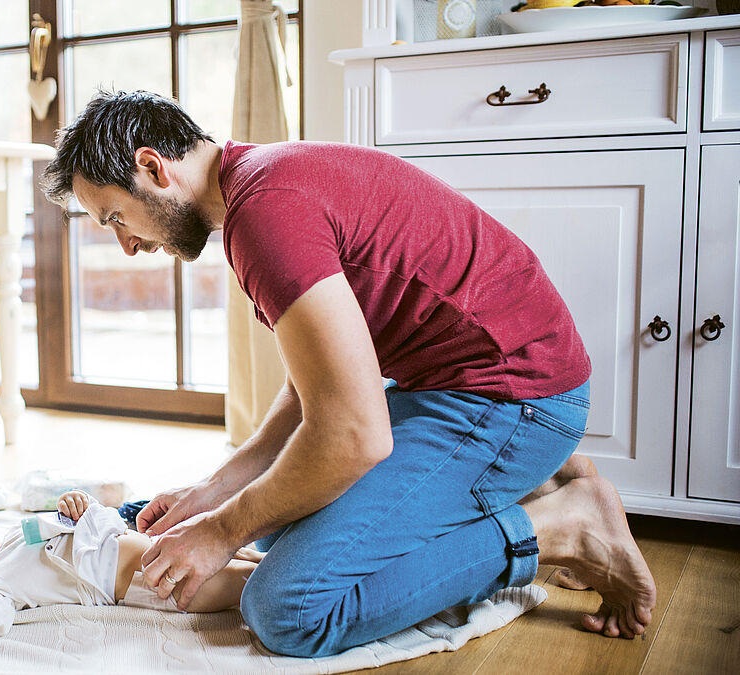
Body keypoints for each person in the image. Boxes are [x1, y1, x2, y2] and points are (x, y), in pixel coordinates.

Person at [38, 90, 657, 657]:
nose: (126, 244)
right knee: (278, 533)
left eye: (115, 217)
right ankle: (528, 481)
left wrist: (222, 532)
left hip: (512, 394)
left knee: (288, 607)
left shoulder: (266, 217)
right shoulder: (258, 181)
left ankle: (559, 525)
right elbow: (316, 388)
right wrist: (215, 492)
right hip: (460, 379)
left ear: (152, 167)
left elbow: (354, 435)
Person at [0, 490, 259, 675]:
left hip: (152, 542)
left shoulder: (19, 530)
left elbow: (81, 522)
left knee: (239, 551)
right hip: (147, 582)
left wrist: (78, 505)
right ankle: (287, 583)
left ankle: (277, 558)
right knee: (243, 583)